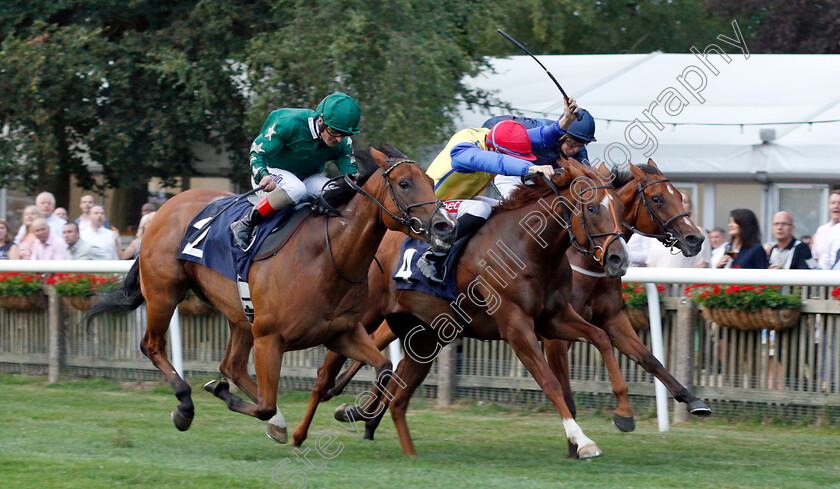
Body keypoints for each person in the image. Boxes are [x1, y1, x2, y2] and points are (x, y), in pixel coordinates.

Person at [417, 98, 581, 283]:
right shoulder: (463, 149)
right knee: (481, 210)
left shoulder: (497, 137)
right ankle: (434, 254)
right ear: (495, 149)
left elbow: (541, 136)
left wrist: (565, 121)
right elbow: (497, 162)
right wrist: (529, 168)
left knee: (506, 210)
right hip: (432, 205)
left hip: (457, 201)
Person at [230, 92, 362, 250]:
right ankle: (245, 223)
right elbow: (257, 152)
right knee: (296, 189)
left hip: (306, 177)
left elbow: (348, 168)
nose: (339, 139)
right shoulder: (288, 123)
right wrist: (263, 175)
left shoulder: (342, 140)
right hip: (271, 171)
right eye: (334, 131)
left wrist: (353, 179)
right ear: (320, 121)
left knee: (335, 190)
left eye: (345, 134)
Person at [489, 104, 596, 199]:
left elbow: (588, 178)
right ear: (561, 135)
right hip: (509, 172)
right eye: (571, 142)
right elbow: (491, 126)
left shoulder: (579, 152)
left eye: (582, 144)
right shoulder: (534, 128)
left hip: (534, 176)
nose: (576, 149)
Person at [645, 192, 711, 268]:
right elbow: (650, 263)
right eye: (678, 200)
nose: (681, 203)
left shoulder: (698, 232)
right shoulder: (659, 234)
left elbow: (703, 263)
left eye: (685, 201)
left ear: (690, 208)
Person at [811, 190, 840, 268]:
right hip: (823, 278)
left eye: (839, 203)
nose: (836, 206)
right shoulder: (821, 231)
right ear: (828, 206)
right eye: (833, 203)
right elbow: (814, 259)